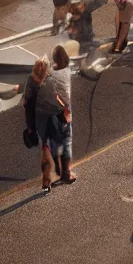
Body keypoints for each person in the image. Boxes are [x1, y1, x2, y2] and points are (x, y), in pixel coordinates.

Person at [23, 57, 71, 193]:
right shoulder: (45, 81)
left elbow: (26, 104)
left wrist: (30, 126)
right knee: (52, 147)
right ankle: (53, 175)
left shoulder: (32, 81)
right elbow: (58, 100)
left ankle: (49, 179)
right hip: (46, 119)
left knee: (49, 147)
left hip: (43, 119)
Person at [48, 45, 76, 184]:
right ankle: (67, 172)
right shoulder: (67, 71)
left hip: (52, 114)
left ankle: (58, 170)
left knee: (54, 142)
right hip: (65, 114)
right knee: (67, 143)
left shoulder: (51, 74)